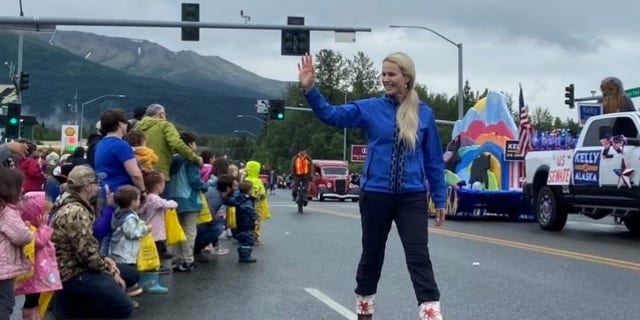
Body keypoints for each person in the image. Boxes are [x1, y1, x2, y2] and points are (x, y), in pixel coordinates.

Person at [298, 52, 447, 320]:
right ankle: (364, 310)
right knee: (372, 256)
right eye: (383, 74)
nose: (386, 79)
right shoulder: (370, 108)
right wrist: (310, 89)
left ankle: (431, 314)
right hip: (376, 195)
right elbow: (332, 115)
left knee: (419, 256)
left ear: (407, 77)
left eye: (391, 74)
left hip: (411, 196)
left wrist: (439, 198)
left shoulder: (424, 113)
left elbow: (434, 159)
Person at [49, 165, 140, 319]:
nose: (99, 187)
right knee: (123, 307)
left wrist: (105, 260)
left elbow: (87, 247)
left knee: (131, 274)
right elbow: (86, 254)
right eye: (97, 184)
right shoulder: (76, 211)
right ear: (87, 187)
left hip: (76, 266)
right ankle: (68, 307)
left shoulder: (71, 203)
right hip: (71, 273)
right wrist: (110, 271)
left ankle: (80, 301)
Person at [15, 191, 63, 320]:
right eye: (46, 214)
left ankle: (36, 316)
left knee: (35, 301)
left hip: (37, 273)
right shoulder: (31, 230)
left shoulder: (30, 228)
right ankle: (30, 317)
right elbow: (39, 242)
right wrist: (44, 228)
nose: (48, 217)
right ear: (37, 215)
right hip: (35, 275)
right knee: (31, 301)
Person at [165, 131, 209, 272]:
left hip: (173, 197)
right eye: (194, 143)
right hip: (188, 198)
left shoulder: (174, 159)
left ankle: (176, 260)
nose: (195, 146)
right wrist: (204, 186)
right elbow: (193, 180)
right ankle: (188, 260)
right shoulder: (191, 159)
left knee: (176, 230)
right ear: (190, 144)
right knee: (189, 230)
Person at [135, 104, 202, 181]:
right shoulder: (165, 125)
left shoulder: (137, 128)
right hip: (159, 171)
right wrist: (195, 158)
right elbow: (176, 144)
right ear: (161, 114)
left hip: (140, 170)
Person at [0, 168, 32, 320]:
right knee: (6, 303)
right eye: (20, 186)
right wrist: (27, 229)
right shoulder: (7, 212)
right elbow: (22, 237)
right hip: (3, 268)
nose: (23, 189)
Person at [138, 170, 178, 273]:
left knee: (152, 249)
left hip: (149, 227)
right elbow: (165, 204)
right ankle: (157, 266)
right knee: (156, 249)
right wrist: (173, 203)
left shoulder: (147, 197)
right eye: (163, 183)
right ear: (158, 185)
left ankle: (153, 265)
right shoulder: (154, 198)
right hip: (156, 229)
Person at [217, 176, 258, 263]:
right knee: (248, 239)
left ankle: (243, 254)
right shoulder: (246, 200)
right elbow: (249, 209)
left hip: (241, 221)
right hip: (246, 222)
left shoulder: (239, 198)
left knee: (244, 238)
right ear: (249, 190)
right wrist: (255, 217)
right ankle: (245, 256)